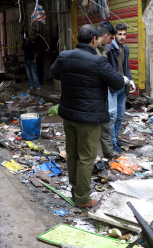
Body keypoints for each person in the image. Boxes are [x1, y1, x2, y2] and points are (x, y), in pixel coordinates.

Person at [50, 24, 125, 208]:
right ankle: (82, 198)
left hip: (69, 113)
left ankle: (76, 188)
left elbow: (54, 73)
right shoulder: (98, 61)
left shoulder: (65, 56)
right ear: (93, 40)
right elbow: (117, 82)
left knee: (73, 153)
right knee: (87, 157)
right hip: (89, 118)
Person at [106, 23, 135, 153]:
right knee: (112, 117)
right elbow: (107, 69)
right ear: (114, 35)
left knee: (120, 116)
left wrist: (131, 80)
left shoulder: (126, 49)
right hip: (112, 87)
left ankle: (116, 139)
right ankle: (112, 144)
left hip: (123, 87)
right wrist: (118, 77)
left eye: (124, 34)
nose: (122, 37)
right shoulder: (109, 49)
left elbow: (126, 67)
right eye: (119, 34)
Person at [96, 21, 120, 159]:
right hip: (96, 94)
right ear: (106, 35)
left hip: (103, 93)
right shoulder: (95, 52)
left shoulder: (103, 50)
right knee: (100, 124)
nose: (110, 40)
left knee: (107, 120)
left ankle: (108, 153)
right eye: (110, 37)